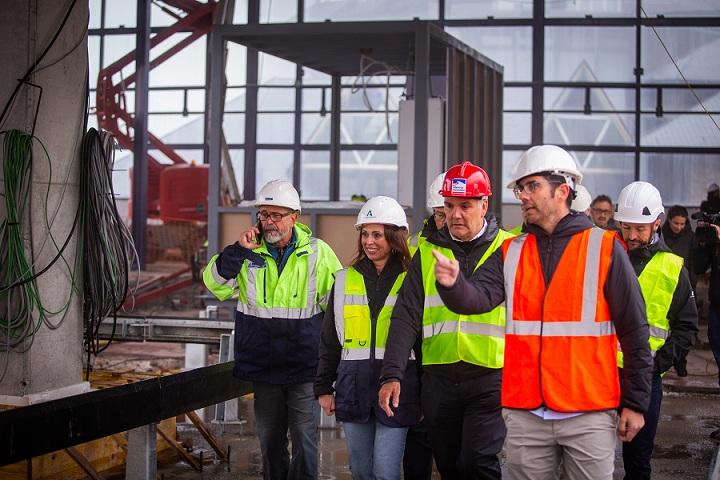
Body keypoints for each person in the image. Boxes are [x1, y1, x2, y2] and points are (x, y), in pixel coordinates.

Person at [432, 145, 653, 480]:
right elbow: (476, 299)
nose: (523, 196)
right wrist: (453, 284)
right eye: (521, 188)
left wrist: (635, 403)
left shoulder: (605, 248)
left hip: (588, 411)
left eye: (532, 186)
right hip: (526, 413)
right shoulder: (512, 251)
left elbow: (635, 331)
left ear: (562, 190)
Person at [379, 161, 514, 479]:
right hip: (439, 379)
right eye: (449, 206)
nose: (455, 215)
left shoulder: (509, 248)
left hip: (491, 376)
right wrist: (391, 375)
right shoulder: (427, 253)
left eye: (465, 206)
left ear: (484, 205)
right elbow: (406, 316)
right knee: (450, 465)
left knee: (478, 461)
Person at [203, 180, 342, 480]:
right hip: (264, 369)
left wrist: (334, 368)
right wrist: (237, 250)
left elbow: (337, 310)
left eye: (277, 215)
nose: (269, 222)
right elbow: (214, 284)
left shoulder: (318, 254)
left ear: (295, 217)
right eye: (265, 215)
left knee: (305, 442)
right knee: (270, 443)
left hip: (305, 369)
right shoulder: (247, 253)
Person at [315, 196, 420, 480]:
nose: (369, 241)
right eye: (365, 234)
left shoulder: (412, 278)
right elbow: (329, 340)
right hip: (353, 387)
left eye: (377, 234)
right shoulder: (345, 279)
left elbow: (421, 341)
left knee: (385, 472)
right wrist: (324, 386)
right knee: (361, 471)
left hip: (398, 390)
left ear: (395, 237)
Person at [615, 181, 698, 479]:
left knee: (638, 461)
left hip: (645, 379)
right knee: (591, 457)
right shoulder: (606, 256)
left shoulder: (673, 267)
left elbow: (686, 326)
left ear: (657, 224)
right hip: (601, 374)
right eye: (626, 227)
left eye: (640, 228)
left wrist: (658, 365)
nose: (632, 235)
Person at [695, 217, 720, 387]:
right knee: (714, 338)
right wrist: (703, 245)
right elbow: (699, 267)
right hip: (717, 301)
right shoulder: (714, 242)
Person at [409, 172, 447, 254]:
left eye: (451, 214)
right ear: (434, 214)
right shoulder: (416, 244)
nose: (446, 221)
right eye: (440, 215)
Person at [661, 205, 697, 291]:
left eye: (682, 224)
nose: (679, 227)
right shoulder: (660, 236)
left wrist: (692, 281)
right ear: (669, 220)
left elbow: (693, 261)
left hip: (684, 279)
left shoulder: (691, 237)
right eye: (676, 223)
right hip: (664, 278)